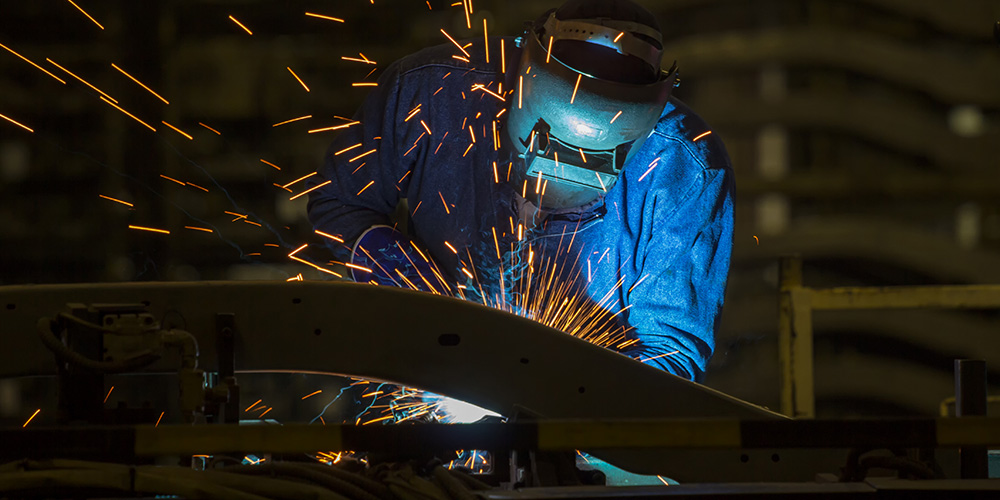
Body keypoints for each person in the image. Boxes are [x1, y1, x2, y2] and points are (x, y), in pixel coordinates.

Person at [306, 0, 734, 382]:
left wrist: (573, 405)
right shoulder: (432, 93)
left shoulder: (686, 167)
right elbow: (340, 201)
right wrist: (417, 291)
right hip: (426, 370)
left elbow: (671, 351)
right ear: (523, 84)